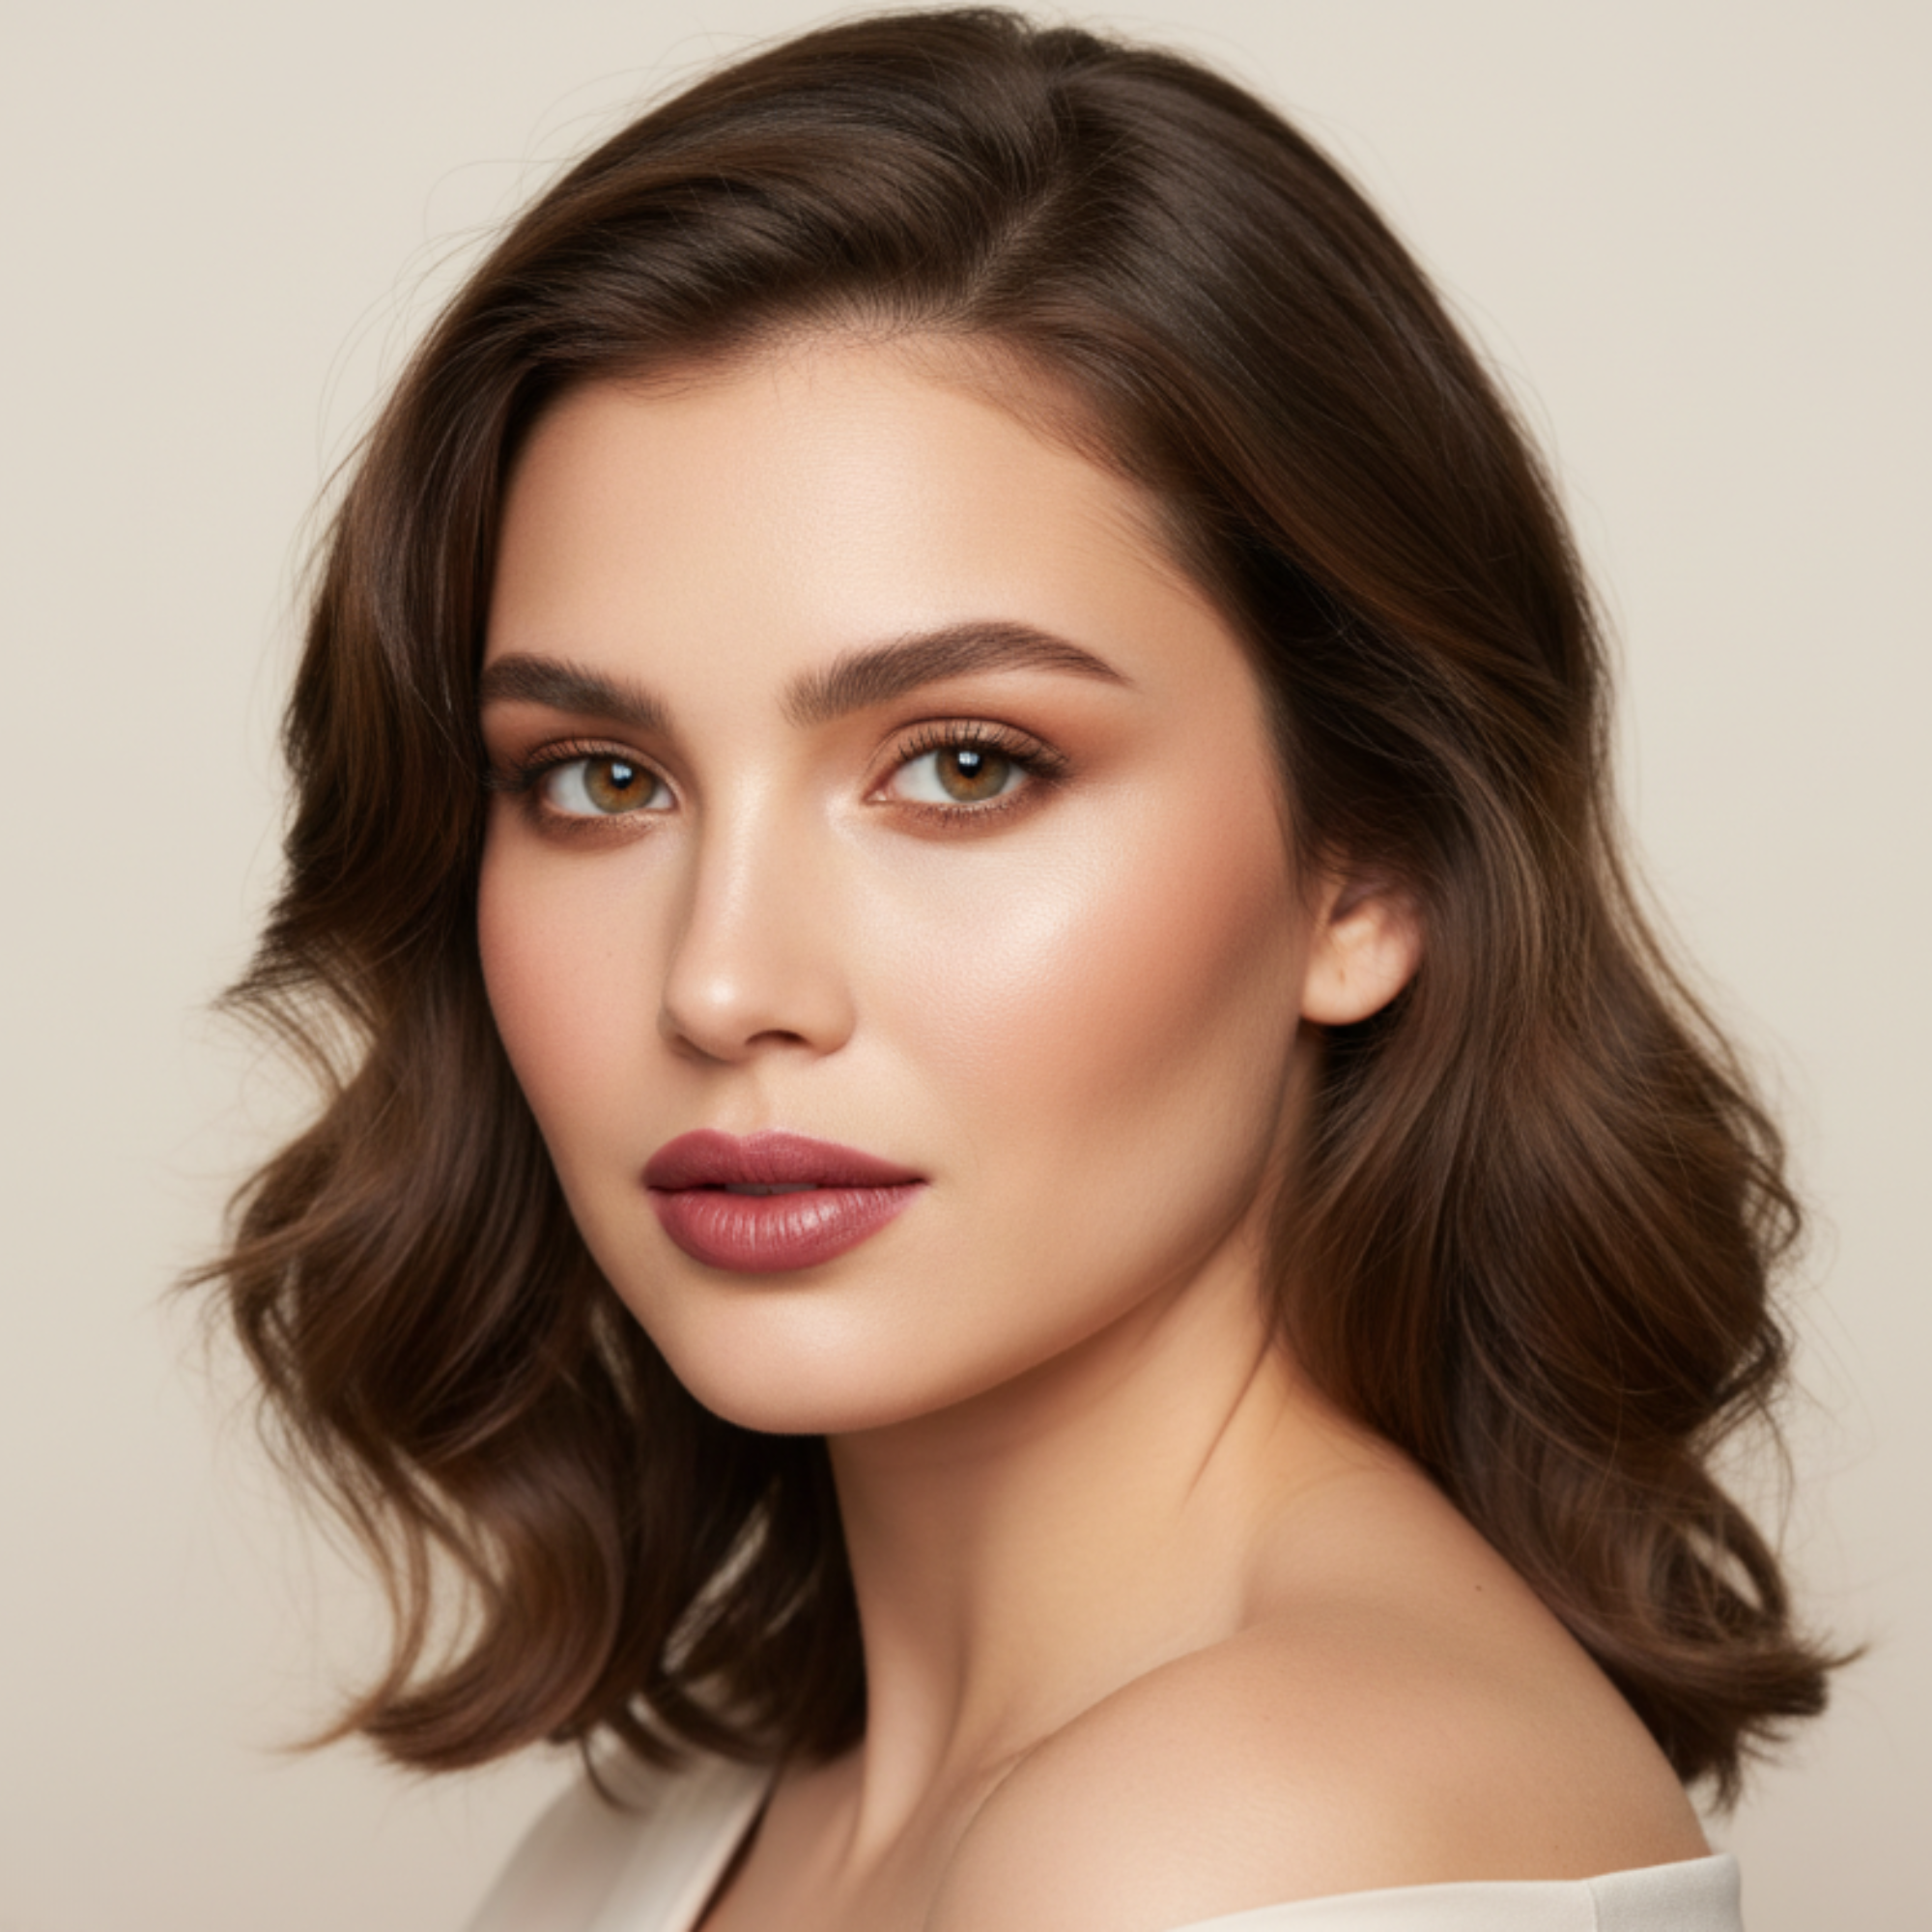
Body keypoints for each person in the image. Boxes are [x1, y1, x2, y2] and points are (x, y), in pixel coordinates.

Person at [198, 10, 1842, 1927]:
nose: (723, 984)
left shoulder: (1254, 1828)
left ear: (1364, 869)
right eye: (599, 777)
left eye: (965, 766)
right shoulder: (720, 1795)